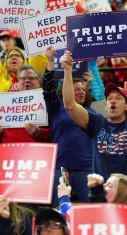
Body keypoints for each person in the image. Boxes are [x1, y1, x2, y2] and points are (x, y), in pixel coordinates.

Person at [61, 45, 127, 192]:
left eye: (118, 98)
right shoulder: (97, 122)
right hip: (101, 193)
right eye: (109, 98)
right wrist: (67, 71)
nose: (113, 101)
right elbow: (69, 105)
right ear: (105, 106)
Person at [43, 47, 95, 203]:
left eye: (83, 89)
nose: (81, 92)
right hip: (61, 168)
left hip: (86, 169)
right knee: (58, 210)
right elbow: (48, 89)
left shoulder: (92, 113)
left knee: (92, 211)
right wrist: (50, 62)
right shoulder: (57, 107)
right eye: (76, 89)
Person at [0, 14, 47, 128]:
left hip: (28, 129)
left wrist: (33, 31)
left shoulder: (32, 73)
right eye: (10, 56)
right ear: (5, 62)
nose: (14, 58)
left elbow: (39, 58)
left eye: (17, 56)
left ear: (24, 61)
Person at [0, 66, 50, 144]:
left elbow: (57, 133)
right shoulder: (6, 102)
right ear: (18, 82)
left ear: (38, 82)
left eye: (31, 78)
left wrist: (40, 133)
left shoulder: (48, 102)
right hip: (7, 152)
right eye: (23, 78)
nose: (27, 80)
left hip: (36, 152)